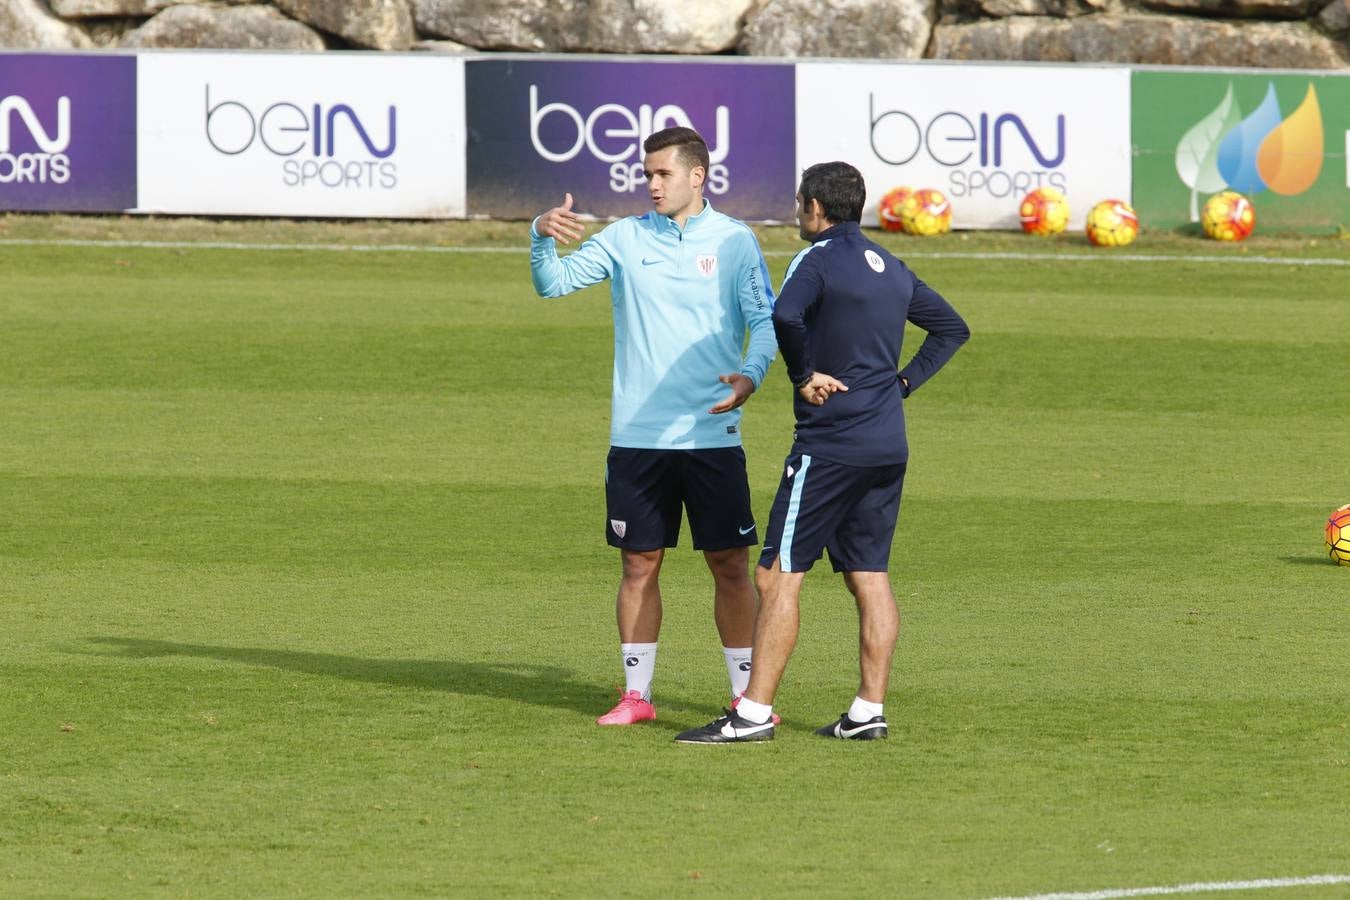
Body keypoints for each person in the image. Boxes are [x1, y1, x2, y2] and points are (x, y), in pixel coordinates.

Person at [675, 161, 970, 744]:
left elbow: (784, 314)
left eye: (799, 204)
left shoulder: (815, 261)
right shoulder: (891, 266)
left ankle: (752, 713)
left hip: (830, 446)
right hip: (887, 445)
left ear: (815, 208)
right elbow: (952, 329)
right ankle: (868, 711)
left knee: (776, 575)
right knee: (870, 575)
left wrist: (803, 373)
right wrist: (903, 383)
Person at [530, 127, 778, 726]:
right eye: (647, 175)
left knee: (730, 565)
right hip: (638, 439)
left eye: (662, 174)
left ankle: (747, 699)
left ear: (698, 176)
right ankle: (637, 696)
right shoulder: (624, 237)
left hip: (712, 436)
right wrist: (540, 237)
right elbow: (553, 283)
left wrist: (750, 376)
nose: (652, 185)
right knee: (638, 564)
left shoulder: (736, 241)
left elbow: (764, 323)